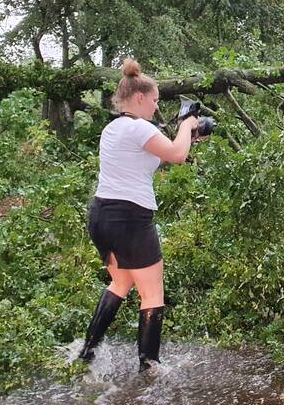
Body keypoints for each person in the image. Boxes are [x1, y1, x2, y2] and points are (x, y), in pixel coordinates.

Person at [79, 58, 200, 372]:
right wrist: (187, 126)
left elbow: (156, 159)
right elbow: (175, 154)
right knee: (152, 290)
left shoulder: (113, 129)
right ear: (140, 98)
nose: (157, 108)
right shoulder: (136, 128)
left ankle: (87, 353)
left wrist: (187, 140)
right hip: (129, 220)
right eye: (156, 101)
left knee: (120, 283)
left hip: (101, 217)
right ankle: (150, 366)